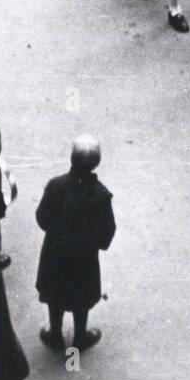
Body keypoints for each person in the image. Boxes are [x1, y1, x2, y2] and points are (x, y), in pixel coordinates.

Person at [35, 135, 116, 352]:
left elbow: (42, 217)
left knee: (55, 294)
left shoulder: (55, 186)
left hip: (55, 253)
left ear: (71, 158)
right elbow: (107, 231)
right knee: (81, 298)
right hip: (84, 258)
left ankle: (55, 334)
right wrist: (93, 242)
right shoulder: (101, 194)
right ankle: (80, 338)